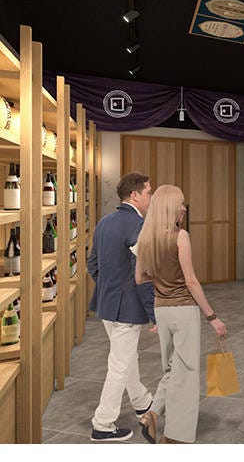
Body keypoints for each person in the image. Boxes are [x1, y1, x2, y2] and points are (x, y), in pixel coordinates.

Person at [135, 184, 227, 444]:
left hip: (161, 310)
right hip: (184, 310)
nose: (184, 208)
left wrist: (161, 277)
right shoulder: (180, 236)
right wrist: (212, 317)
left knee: (172, 368)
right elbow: (191, 281)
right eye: (181, 204)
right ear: (170, 207)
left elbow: (139, 277)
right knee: (185, 373)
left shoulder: (145, 238)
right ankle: (175, 437)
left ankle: (152, 415)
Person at [87, 172, 154, 442]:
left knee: (125, 359)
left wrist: (109, 288)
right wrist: (154, 313)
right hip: (127, 309)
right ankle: (103, 424)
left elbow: (93, 263)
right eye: (148, 192)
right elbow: (143, 275)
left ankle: (142, 402)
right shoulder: (139, 226)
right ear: (135, 195)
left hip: (107, 304)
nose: (151, 197)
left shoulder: (104, 222)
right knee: (119, 364)